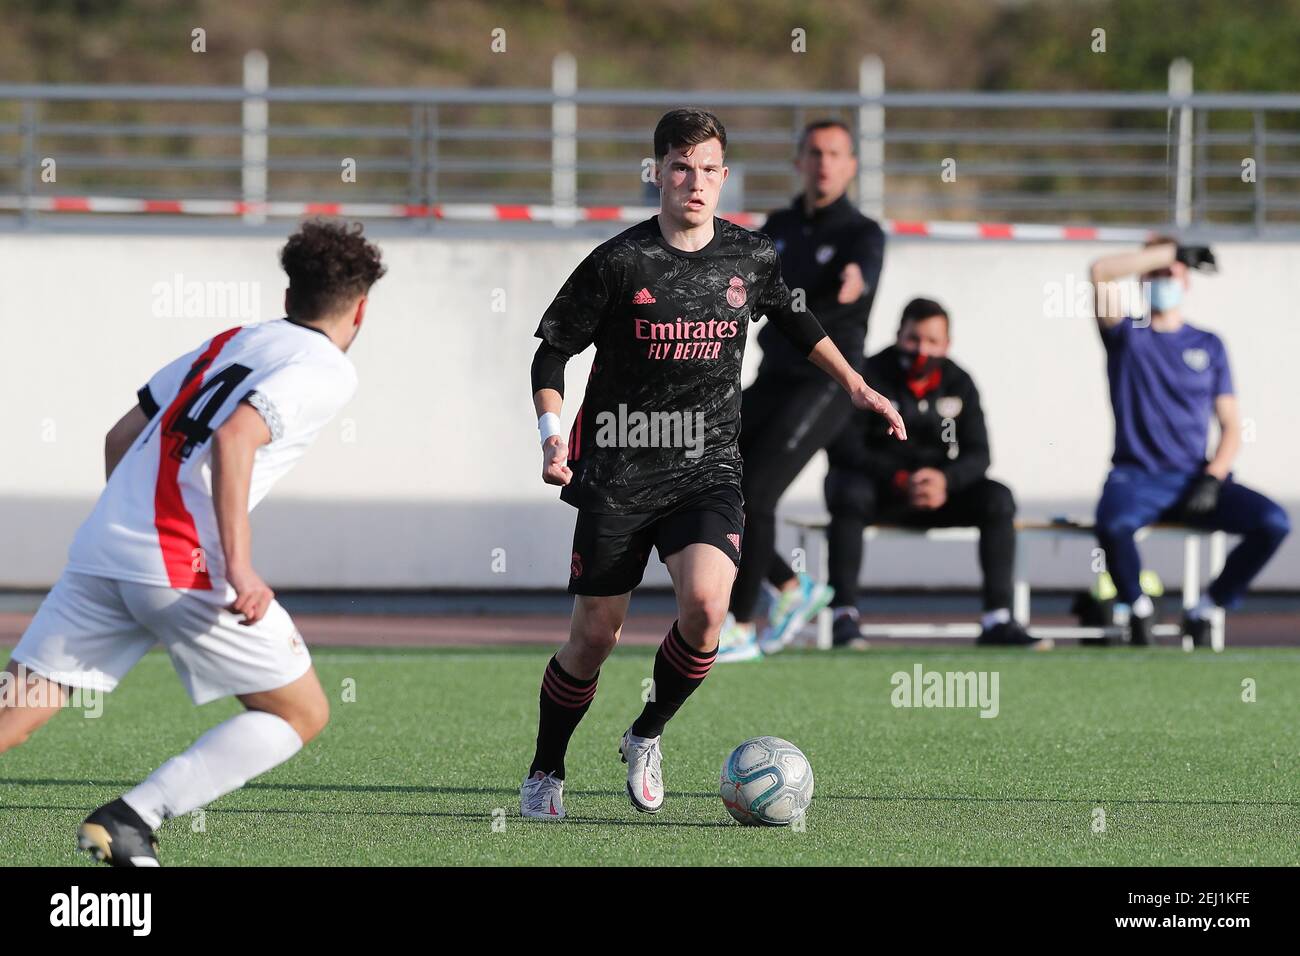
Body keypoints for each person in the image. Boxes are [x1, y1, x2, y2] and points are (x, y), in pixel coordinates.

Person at [522, 108, 905, 819]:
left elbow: (796, 318)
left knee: (706, 610)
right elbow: (551, 351)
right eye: (679, 168)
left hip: (706, 466)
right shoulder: (618, 262)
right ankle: (547, 768)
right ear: (658, 173)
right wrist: (550, 434)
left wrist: (854, 385)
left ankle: (646, 732)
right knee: (593, 639)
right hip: (616, 467)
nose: (693, 183)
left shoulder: (752, 257)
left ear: (724, 177)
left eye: (707, 171)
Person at [0, 220, 385, 865]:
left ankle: (127, 827)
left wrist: (123, 533)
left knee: (15, 714)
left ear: (289, 296)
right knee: (302, 711)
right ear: (362, 309)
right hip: (182, 561)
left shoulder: (235, 340)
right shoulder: (327, 367)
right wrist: (242, 569)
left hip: (103, 548)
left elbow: (120, 435)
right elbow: (236, 437)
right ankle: (128, 823)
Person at [719, 119, 887, 662]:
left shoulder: (862, 234)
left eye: (835, 153)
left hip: (827, 382)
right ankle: (793, 588)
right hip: (774, 375)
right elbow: (752, 293)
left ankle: (740, 625)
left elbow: (844, 300)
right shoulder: (779, 225)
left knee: (758, 493)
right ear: (799, 161)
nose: (823, 162)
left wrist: (795, 298)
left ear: (851, 165)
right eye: (814, 152)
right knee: (709, 477)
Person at [1089, 237, 1289, 645]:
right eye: (1157, 273)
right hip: (1137, 477)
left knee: (1273, 523)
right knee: (1112, 524)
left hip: (1196, 479)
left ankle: (1207, 608)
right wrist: (1172, 253)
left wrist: (1213, 477)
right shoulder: (1127, 336)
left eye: (1173, 273)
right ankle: (1139, 609)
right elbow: (1101, 271)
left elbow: (1231, 424)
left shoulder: (1208, 345)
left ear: (1187, 283)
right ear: (1143, 280)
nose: (1166, 279)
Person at [824, 297, 1040, 648]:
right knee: (846, 489)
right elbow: (843, 447)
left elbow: (978, 453)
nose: (922, 349)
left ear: (947, 344)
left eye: (932, 341)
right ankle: (843, 616)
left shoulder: (959, 381)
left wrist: (946, 481)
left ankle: (997, 619)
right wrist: (897, 479)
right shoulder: (868, 376)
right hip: (882, 493)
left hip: (938, 496)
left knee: (998, 498)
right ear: (898, 335)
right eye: (913, 339)